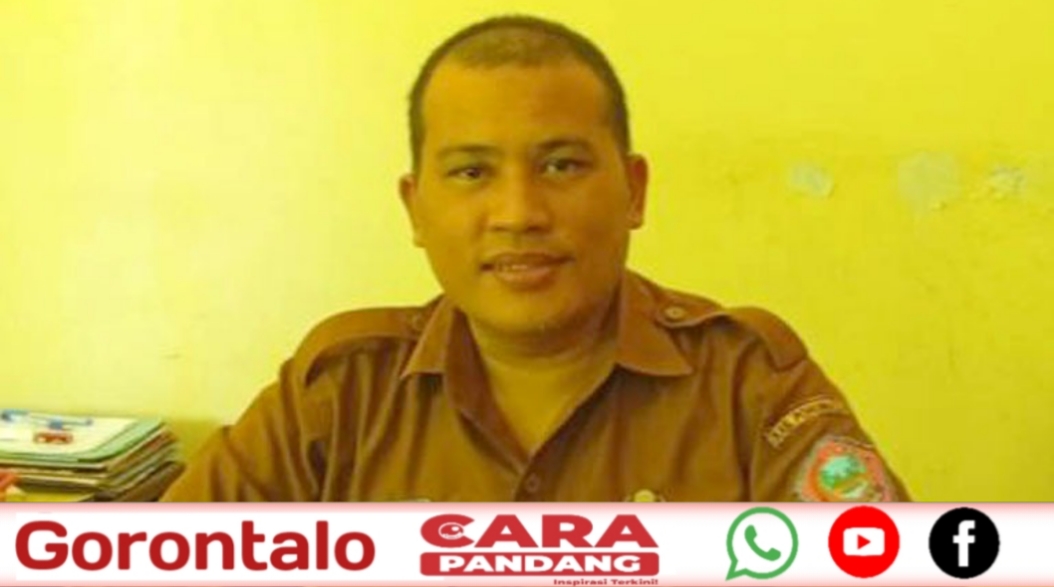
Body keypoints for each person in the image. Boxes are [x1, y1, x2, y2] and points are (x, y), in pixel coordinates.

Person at [161, 14, 908, 503]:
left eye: (560, 166)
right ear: (415, 208)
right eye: (472, 172)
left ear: (634, 190)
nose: (518, 213)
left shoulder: (749, 384)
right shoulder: (339, 393)